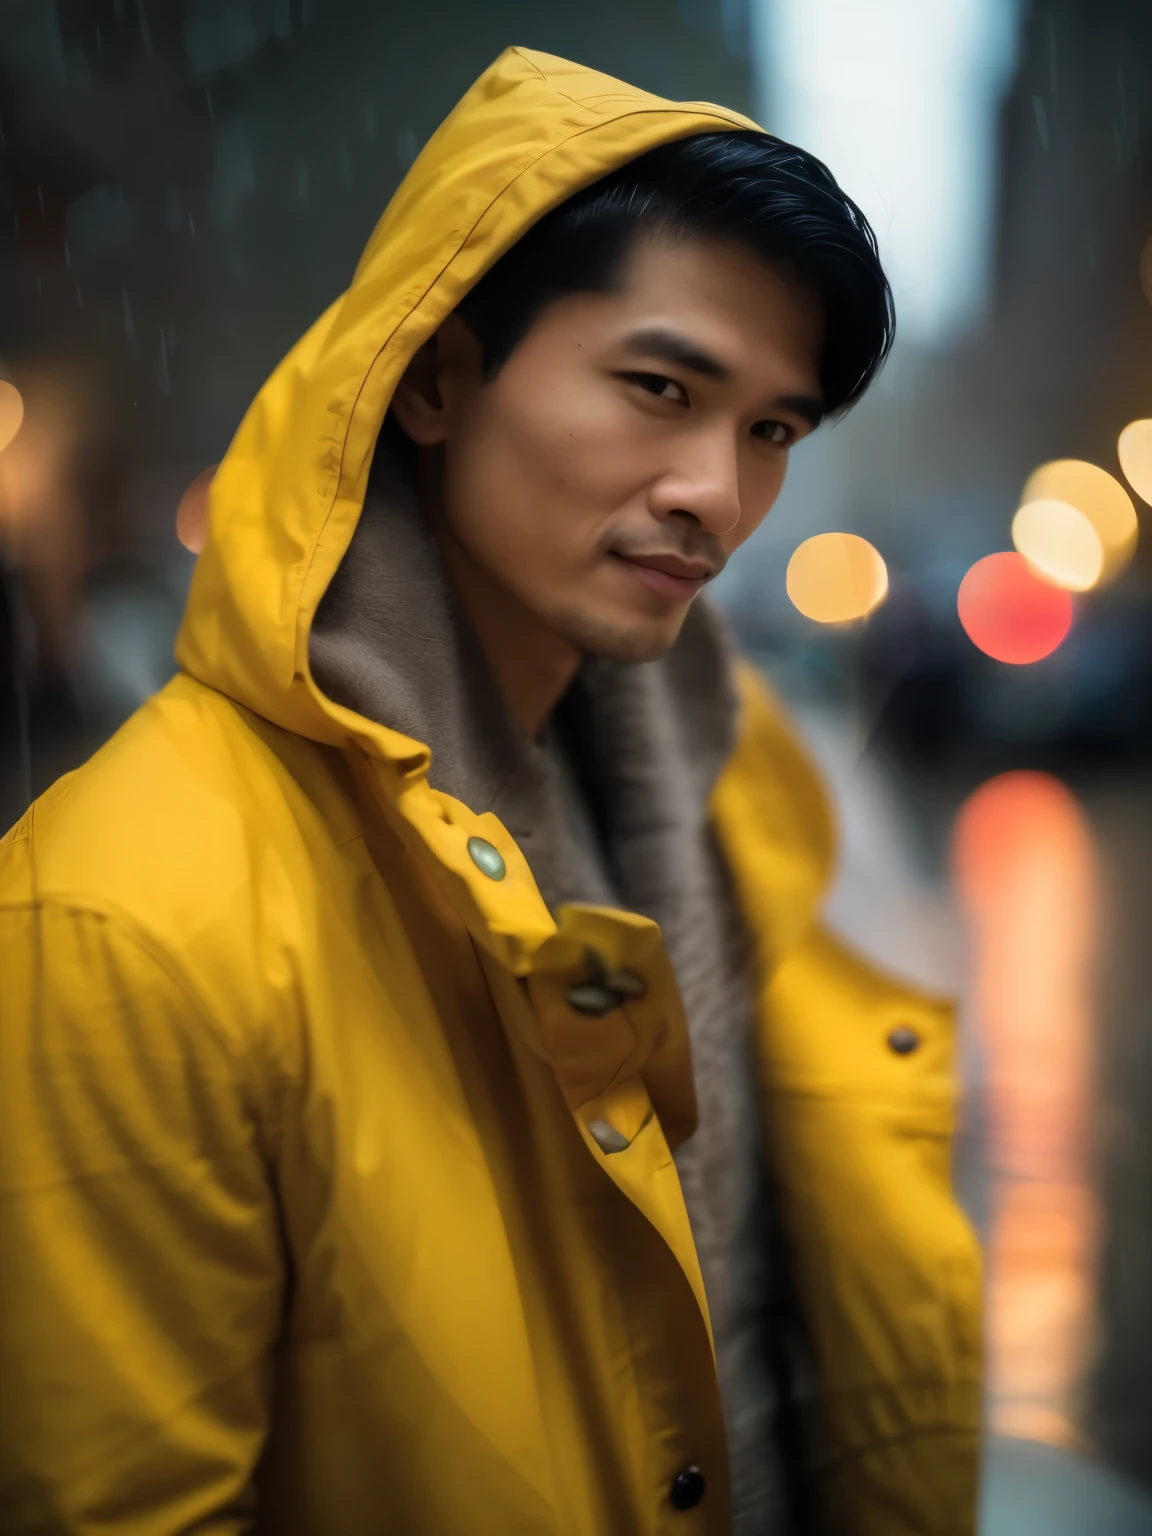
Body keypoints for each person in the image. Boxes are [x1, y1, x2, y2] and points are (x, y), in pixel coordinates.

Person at [0, 48, 980, 1536]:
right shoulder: (120, 907)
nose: (716, 492)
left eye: (771, 430)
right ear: (441, 377)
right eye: (661, 389)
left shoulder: (752, 790)